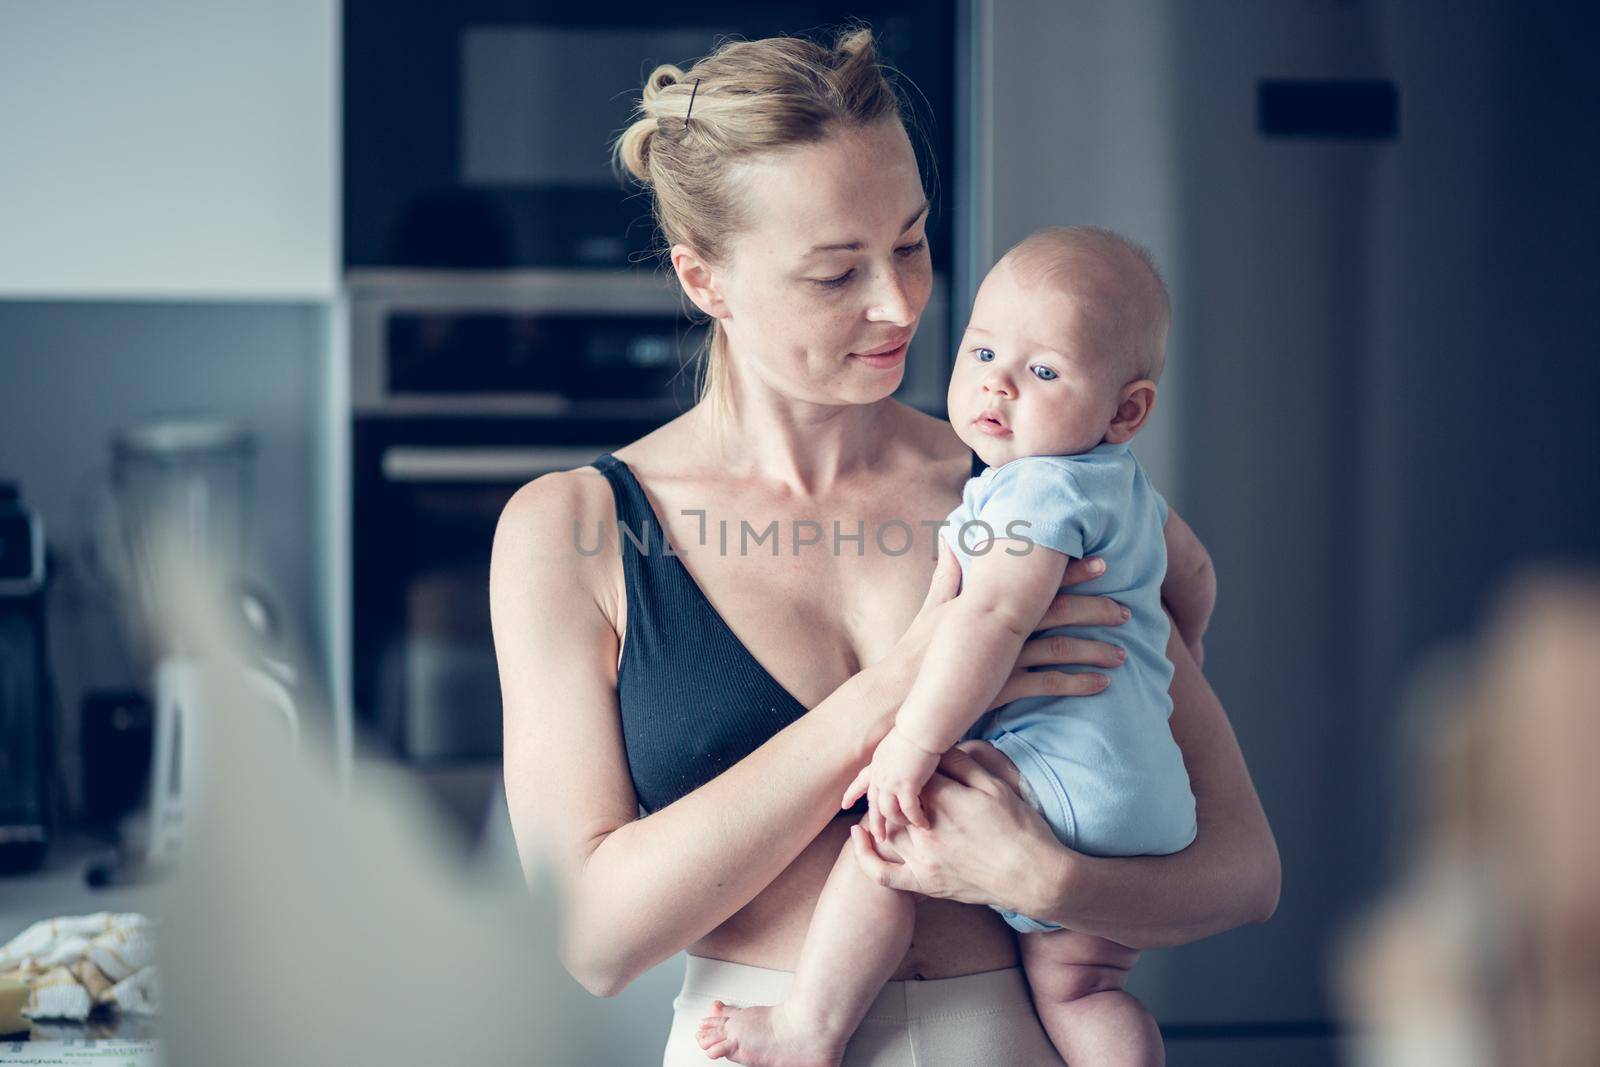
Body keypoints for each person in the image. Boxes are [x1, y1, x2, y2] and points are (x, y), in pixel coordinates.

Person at [491, 27, 1279, 1066]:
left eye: (909, 242)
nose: (901, 301)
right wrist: (898, 686)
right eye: (834, 272)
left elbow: (1242, 868)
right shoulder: (577, 529)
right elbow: (591, 939)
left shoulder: (1024, 489)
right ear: (704, 279)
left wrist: (1049, 882)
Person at [697, 226, 1201, 1067]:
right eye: (983, 351)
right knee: (1085, 988)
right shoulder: (1127, 489)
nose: (997, 384)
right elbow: (1196, 574)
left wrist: (912, 744)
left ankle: (806, 1030)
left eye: (1042, 372)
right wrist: (1184, 657)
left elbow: (987, 621)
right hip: (1143, 798)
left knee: (881, 851)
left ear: (1127, 409)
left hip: (1057, 788)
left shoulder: (1032, 493)